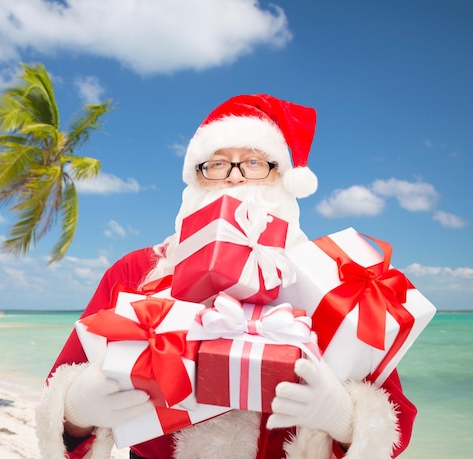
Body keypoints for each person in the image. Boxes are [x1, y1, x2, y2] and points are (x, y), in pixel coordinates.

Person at [35, 94, 417, 459]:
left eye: (254, 162)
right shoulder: (136, 270)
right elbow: (57, 397)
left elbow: (395, 425)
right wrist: (76, 410)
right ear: (197, 178)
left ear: (283, 178)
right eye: (218, 163)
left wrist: (343, 417)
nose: (235, 178)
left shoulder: (333, 283)